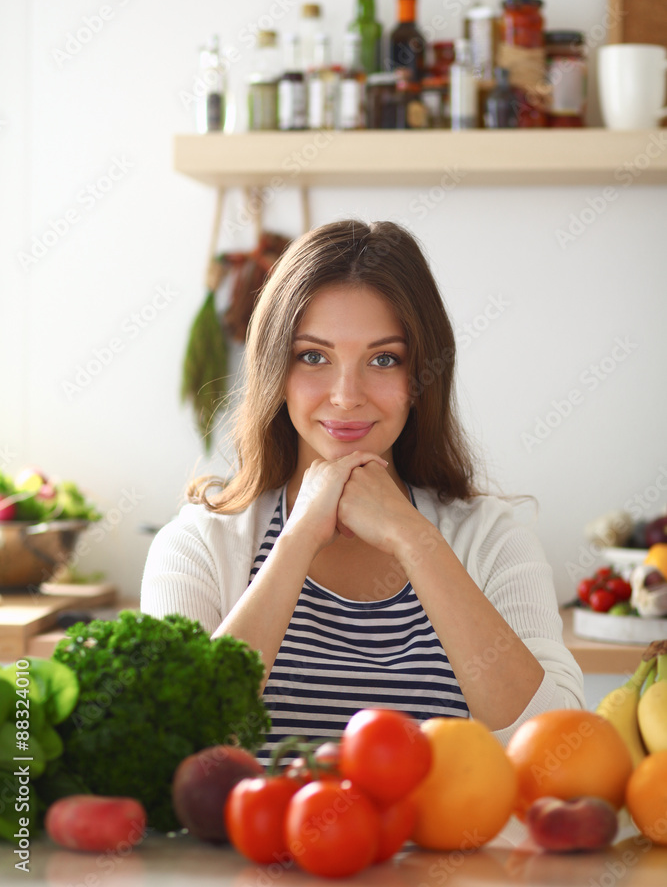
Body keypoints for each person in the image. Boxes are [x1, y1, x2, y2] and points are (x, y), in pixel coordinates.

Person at [140, 219, 585, 764]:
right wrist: (298, 539)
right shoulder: (198, 544)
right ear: (275, 370)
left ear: (422, 376)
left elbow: (556, 746)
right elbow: (176, 749)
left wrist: (411, 537)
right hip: (252, 852)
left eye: (383, 359)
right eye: (313, 356)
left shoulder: (493, 541)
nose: (346, 397)